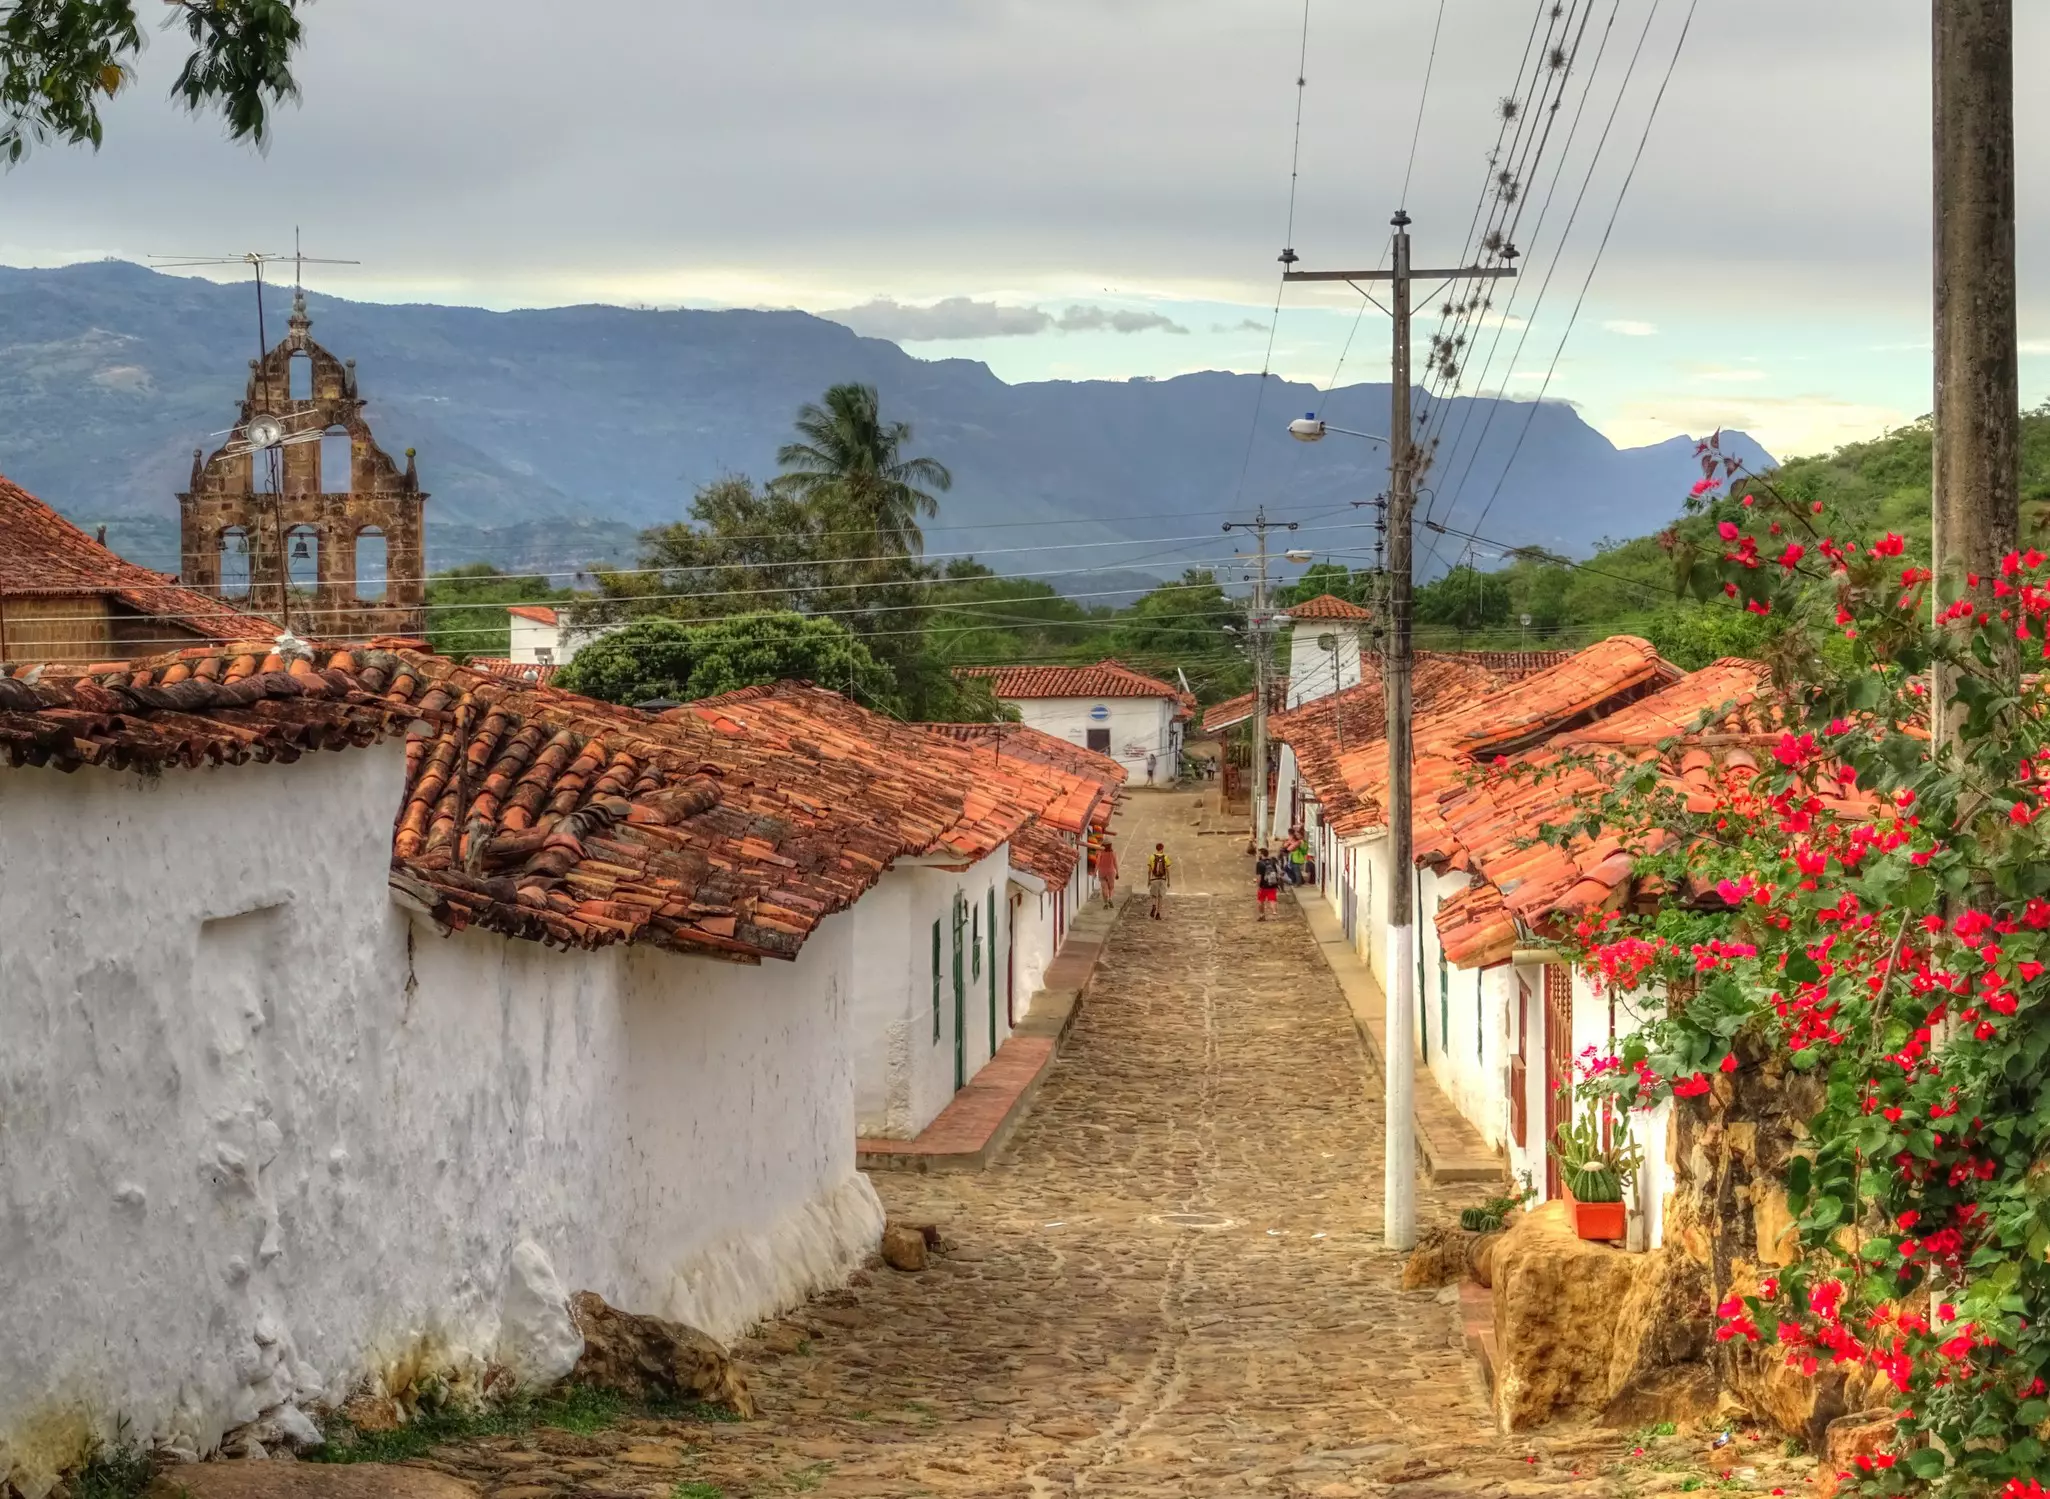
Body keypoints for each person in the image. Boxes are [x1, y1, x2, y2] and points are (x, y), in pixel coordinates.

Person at [1255, 845, 1282, 920]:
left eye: (1258, 853)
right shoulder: (1272, 861)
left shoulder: (1259, 863)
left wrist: (1258, 885)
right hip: (1272, 884)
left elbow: (1259, 877)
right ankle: (1274, 912)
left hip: (1263, 885)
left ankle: (1262, 915)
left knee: (1261, 900)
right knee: (1272, 899)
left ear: (1261, 854)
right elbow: (1277, 873)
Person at [1146, 842, 1171, 920]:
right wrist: (1169, 881)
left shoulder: (1152, 857)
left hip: (1154, 879)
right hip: (1162, 879)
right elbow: (1168, 870)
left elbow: (1149, 870)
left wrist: (1148, 880)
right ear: (1162, 849)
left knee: (1154, 895)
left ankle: (1154, 906)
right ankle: (1158, 914)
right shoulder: (1166, 857)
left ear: (1156, 848)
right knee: (1160, 897)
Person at [1097, 836, 1120, 907]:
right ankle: (1110, 898)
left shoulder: (1100, 852)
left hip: (1102, 871)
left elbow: (1097, 862)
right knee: (1111, 887)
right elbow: (1115, 863)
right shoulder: (1113, 853)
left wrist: (1095, 872)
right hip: (1111, 872)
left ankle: (1105, 903)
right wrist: (1117, 872)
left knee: (1104, 887)